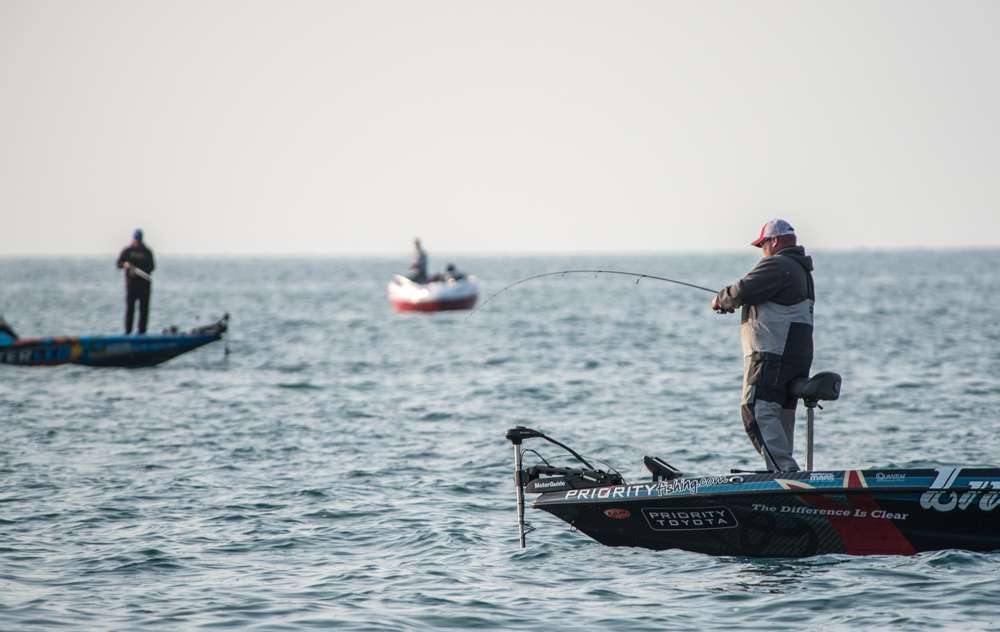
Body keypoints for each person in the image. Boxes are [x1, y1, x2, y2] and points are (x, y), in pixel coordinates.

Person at [710, 219, 814, 472]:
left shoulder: (777, 264)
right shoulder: (801, 270)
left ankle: (785, 475)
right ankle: (785, 470)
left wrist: (720, 300)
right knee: (780, 416)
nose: (762, 251)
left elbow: (741, 290)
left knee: (756, 412)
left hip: (772, 355)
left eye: (763, 245)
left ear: (774, 241)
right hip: (795, 355)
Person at [116, 229, 155, 334]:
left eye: (139, 240)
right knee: (130, 310)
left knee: (144, 310)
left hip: (144, 285)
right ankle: (127, 332)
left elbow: (152, 267)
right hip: (131, 286)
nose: (137, 242)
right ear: (133, 239)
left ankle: (142, 332)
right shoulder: (127, 251)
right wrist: (126, 265)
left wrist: (141, 269)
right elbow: (118, 263)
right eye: (136, 239)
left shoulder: (147, 252)